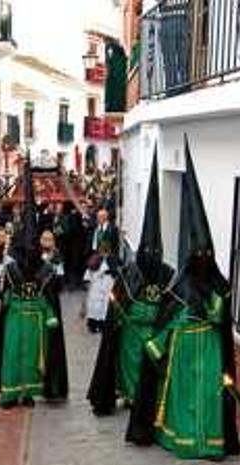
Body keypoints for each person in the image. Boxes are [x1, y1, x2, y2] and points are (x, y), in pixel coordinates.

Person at [125, 135, 240, 460]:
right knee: (182, 395)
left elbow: (221, 319)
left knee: (209, 395)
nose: (202, 257)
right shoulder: (178, 284)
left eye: (207, 252)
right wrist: (158, 342)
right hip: (183, 350)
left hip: (211, 350)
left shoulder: (220, 285)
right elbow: (171, 316)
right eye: (198, 253)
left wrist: (215, 304)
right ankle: (183, 439)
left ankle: (211, 443)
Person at [87, 150, 174, 416]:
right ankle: (127, 393)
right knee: (128, 364)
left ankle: (147, 396)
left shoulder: (167, 274)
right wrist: (121, 318)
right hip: (131, 333)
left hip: (154, 335)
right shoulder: (130, 273)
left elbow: (172, 303)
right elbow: (120, 300)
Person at [0, 164, 64, 408]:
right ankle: (8, 393)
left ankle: (28, 393)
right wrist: (2, 297)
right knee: (11, 355)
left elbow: (48, 295)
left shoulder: (45, 269)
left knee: (31, 358)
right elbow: (5, 292)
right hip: (15, 318)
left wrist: (49, 314)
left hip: (36, 320)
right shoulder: (12, 269)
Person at [39, 230, 69, 401]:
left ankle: (55, 384)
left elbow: (60, 283)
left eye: (50, 239)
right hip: (38, 302)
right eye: (44, 239)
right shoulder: (35, 256)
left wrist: (51, 271)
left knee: (53, 340)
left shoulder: (57, 258)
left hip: (52, 301)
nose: (47, 241)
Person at [84, 207, 119, 333]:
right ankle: (93, 322)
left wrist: (111, 260)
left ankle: (104, 322)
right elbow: (92, 245)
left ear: (106, 217)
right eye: (98, 217)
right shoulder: (95, 229)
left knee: (105, 296)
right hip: (96, 262)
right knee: (94, 295)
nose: (99, 219)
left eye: (102, 217)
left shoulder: (112, 229)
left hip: (108, 264)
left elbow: (116, 248)